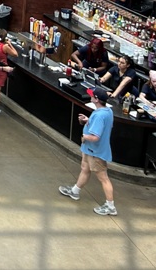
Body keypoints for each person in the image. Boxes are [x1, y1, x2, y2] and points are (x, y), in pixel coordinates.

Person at [59, 86, 117, 215]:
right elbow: (100, 126)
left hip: (95, 152)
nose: (89, 96)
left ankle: (110, 206)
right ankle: (75, 191)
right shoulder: (107, 111)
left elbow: (95, 137)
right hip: (89, 150)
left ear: (96, 99)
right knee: (85, 168)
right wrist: (88, 121)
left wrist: (84, 136)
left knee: (103, 178)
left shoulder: (100, 115)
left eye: (92, 95)